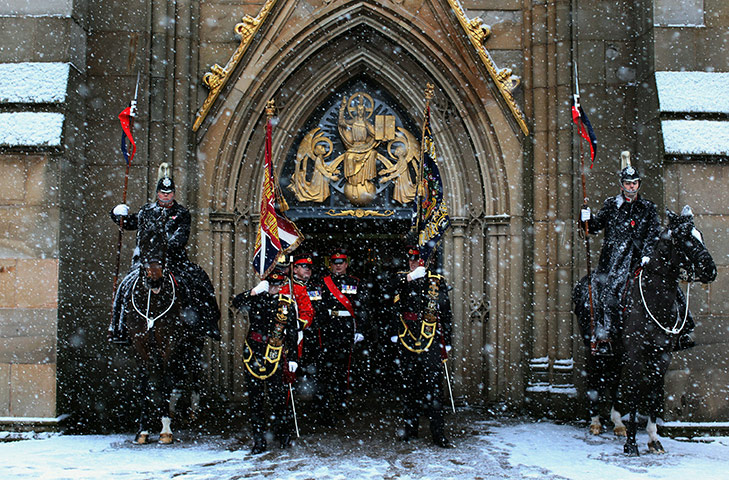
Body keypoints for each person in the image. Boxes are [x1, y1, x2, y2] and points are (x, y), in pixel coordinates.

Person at [580, 157, 694, 350]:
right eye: (628, 183)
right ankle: (605, 336)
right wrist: (587, 218)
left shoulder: (648, 208)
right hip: (615, 259)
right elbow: (596, 226)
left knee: (673, 288)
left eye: (634, 183)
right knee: (608, 292)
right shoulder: (611, 205)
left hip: (642, 258)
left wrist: (648, 253)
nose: (631, 187)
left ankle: (684, 329)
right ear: (622, 185)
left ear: (638, 184)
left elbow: (653, 233)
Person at [109, 166, 221, 343]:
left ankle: (206, 324)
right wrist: (118, 216)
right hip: (146, 263)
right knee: (124, 287)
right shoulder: (146, 212)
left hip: (173, 261)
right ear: (157, 193)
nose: (166, 195)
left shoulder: (181, 213)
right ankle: (118, 327)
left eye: (169, 193)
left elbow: (181, 237)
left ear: (174, 194)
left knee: (200, 282)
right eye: (162, 192)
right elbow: (130, 223)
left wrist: (163, 248)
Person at [230, 257, 312, 454]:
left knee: (277, 399)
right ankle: (259, 440)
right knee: (256, 401)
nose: (274, 288)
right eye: (271, 285)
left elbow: (292, 331)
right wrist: (254, 290)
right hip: (255, 353)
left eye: (277, 285)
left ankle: (283, 436)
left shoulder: (286, 303)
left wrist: (292, 358)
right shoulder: (255, 298)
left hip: (275, 354)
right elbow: (235, 302)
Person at [390, 246, 453, 448]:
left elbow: (445, 312)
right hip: (407, 337)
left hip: (430, 340)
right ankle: (410, 430)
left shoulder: (436, 281)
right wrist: (410, 278)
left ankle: (438, 434)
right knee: (410, 387)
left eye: (417, 259)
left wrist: (448, 341)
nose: (412, 263)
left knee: (434, 389)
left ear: (425, 261)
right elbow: (388, 294)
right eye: (410, 260)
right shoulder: (401, 279)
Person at [310, 248, 367, 425]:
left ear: (346, 264)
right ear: (330, 265)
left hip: (345, 328)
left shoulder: (355, 282)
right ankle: (323, 404)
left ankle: (342, 401)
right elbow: (315, 303)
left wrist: (360, 329)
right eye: (335, 263)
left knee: (344, 368)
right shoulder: (321, 282)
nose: (337, 266)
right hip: (327, 329)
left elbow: (362, 307)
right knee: (325, 369)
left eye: (341, 263)